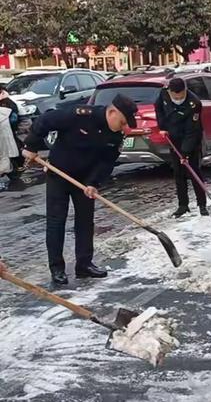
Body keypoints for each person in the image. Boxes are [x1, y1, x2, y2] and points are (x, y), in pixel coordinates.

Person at [22, 94, 138, 285]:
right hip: (59, 174)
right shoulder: (81, 115)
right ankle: (57, 268)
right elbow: (45, 120)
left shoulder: (116, 135)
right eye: (123, 121)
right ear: (112, 112)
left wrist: (94, 183)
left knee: (85, 222)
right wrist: (31, 145)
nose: (124, 127)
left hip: (84, 182)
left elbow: (107, 162)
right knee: (56, 222)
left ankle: (84, 265)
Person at [155, 77, 207, 218]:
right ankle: (183, 205)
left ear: (185, 90)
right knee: (178, 173)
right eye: (175, 95)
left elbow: (193, 131)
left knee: (194, 172)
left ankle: (202, 205)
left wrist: (185, 154)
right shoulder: (164, 94)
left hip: (190, 139)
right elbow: (158, 108)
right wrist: (163, 127)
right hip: (173, 137)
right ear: (170, 92)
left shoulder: (194, 103)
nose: (178, 98)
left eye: (181, 95)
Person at [0, 84, 24, 177]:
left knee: (9, 152)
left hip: (7, 132)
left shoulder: (8, 103)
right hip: (6, 132)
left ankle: (15, 169)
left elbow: (13, 120)